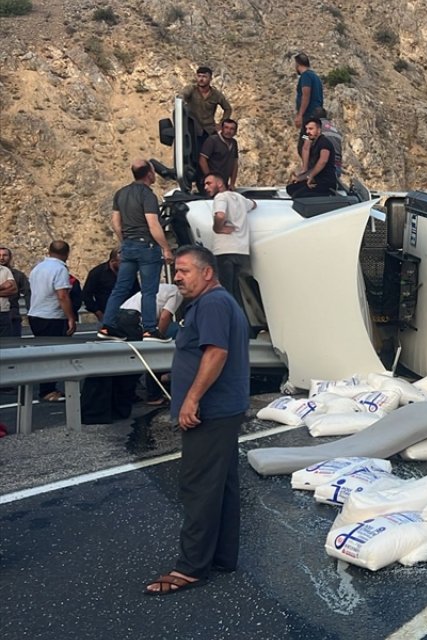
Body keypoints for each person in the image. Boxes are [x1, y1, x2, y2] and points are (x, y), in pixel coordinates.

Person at [144, 245, 249, 596]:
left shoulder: (214, 303)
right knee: (221, 485)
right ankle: (221, 556)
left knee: (199, 486)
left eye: (184, 270)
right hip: (222, 408)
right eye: (176, 271)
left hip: (212, 409)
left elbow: (216, 352)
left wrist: (191, 398)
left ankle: (190, 568)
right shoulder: (213, 303)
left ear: (207, 273)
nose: (177, 277)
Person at [100, 160, 173, 341]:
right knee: (149, 291)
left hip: (129, 246)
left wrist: (124, 242)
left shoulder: (121, 193)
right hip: (147, 247)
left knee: (120, 288)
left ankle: (107, 327)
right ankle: (149, 329)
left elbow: (116, 223)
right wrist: (166, 248)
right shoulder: (148, 195)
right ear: (149, 174)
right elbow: (153, 224)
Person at [27, 241, 77, 401]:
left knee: (43, 353)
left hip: (35, 314)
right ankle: (48, 390)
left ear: (49, 251)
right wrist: (70, 317)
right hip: (52, 316)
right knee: (53, 355)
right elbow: (62, 295)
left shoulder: (38, 268)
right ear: (67, 253)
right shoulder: (60, 269)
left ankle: (47, 387)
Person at [204, 173, 256, 306]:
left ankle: (230, 323)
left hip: (225, 251)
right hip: (241, 251)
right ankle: (242, 324)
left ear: (220, 184)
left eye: (209, 183)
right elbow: (254, 205)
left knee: (225, 292)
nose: (205, 187)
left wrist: (217, 228)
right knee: (236, 292)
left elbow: (220, 215)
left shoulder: (220, 197)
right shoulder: (240, 198)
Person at [180, 66, 233, 158]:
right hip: (193, 130)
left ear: (210, 78)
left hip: (209, 131)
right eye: (199, 76)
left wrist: (221, 124)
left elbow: (228, 109)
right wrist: (181, 101)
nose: (201, 79)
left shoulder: (216, 95)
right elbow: (182, 95)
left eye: (204, 77)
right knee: (192, 157)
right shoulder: (191, 90)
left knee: (210, 156)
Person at [286, 118, 337, 198]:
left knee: (298, 195)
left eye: (310, 129)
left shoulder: (324, 142)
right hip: (316, 177)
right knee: (290, 188)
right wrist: (302, 176)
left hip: (325, 181)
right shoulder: (309, 137)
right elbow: (305, 146)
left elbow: (323, 160)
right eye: (306, 129)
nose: (307, 131)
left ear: (319, 129)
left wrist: (310, 175)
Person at [83, 249, 137, 321]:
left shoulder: (130, 272)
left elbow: (136, 292)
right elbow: (86, 295)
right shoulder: (97, 273)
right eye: (122, 263)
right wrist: (97, 312)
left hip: (128, 315)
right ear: (113, 261)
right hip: (106, 314)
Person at [296, 108, 343, 181]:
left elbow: (306, 147)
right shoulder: (335, 129)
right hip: (336, 169)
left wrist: (304, 169)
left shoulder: (314, 128)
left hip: (322, 168)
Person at [293, 53, 324, 159]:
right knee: (310, 144)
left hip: (309, 117)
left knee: (304, 145)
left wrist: (300, 115)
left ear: (298, 64)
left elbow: (306, 95)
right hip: (317, 116)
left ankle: (308, 169)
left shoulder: (305, 76)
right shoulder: (315, 77)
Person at [199, 119, 240, 190]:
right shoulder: (212, 140)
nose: (228, 131)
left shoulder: (234, 143)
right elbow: (202, 160)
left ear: (235, 131)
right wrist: (210, 179)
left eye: (232, 129)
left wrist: (232, 183)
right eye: (226, 128)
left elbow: (235, 163)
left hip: (223, 183)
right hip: (210, 185)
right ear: (222, 129)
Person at [0, 246, 29, 337]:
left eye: (5, 255)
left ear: (10, 257)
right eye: (0, 255)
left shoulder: (18, 275)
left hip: (13, 315)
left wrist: (29, 312)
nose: (2, 258)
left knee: (12, 344)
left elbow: (27, 293)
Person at [0, 261, 15, 338]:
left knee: (6, 341)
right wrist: (4, 286)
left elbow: (13, 289)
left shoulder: (5, 270)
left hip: (3, 312)